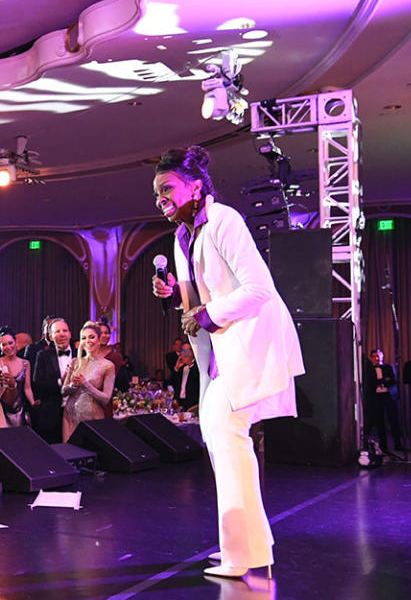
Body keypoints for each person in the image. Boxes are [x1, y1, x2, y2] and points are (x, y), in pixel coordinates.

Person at [151, 145, 303, 578]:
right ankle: (248, 546)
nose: (160, 199)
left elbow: (259, 289)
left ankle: (245, 552)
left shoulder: (224, 220)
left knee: (224, 432)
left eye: (167, 189)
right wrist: (174, 301)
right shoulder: (182, 237)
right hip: (218, 352)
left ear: (195, 186)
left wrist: (207, 313)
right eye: (157, 192)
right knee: (218, 436)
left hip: (249, 344)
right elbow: (190, 307)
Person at [61, 322, 116, 442]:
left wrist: (85, 384)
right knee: (68, 454)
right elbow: (63, 391)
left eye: (91, 337)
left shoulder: (108, 366)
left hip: (93, 417)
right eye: (84, 338)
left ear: (99, 340)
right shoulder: (75, 362)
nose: (88, 341)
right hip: (69, 416)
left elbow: (106, 398)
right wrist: (72, 385)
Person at [30, 318, 76, 444]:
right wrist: (60, 381)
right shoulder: (43, 355)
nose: (62, 334)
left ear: (70, 334)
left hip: (77, 413)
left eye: (65, 330)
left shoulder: (80, 355)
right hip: (51, 414)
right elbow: (37, 384)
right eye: (57, 331)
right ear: (50, 336)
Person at [363, 348, 402, 452]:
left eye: (378, 355)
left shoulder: (388, 367)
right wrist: (383, 381)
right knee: (380, 423)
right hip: (376, 398)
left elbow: (393, 380)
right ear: (371, 358)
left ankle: (398, 445)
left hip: (389, 397)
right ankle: (383, 446)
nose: (377, 358)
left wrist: (382, 382)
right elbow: (369, 384)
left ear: (382, 357)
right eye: (374, 356)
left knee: (393, 421)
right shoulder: (368, 370)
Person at [0, 326, 31, 427]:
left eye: (10, 343)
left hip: (20, 409)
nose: (8, 347)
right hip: (2, 409)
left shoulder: (26, 363)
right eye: (4, 344)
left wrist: (33, 402)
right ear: (0, 347)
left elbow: (27, 388)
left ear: (16, 343)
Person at [169, 341, 200, 411]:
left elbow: (196, 384)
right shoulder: (180, 368)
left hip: (192, 405)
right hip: (179, 403)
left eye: (187, 350)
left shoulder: (198, 368)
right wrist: (176, 368)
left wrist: (189, 364)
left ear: (192, 352)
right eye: (183, 350)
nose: (185, 353)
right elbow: (171, 383)